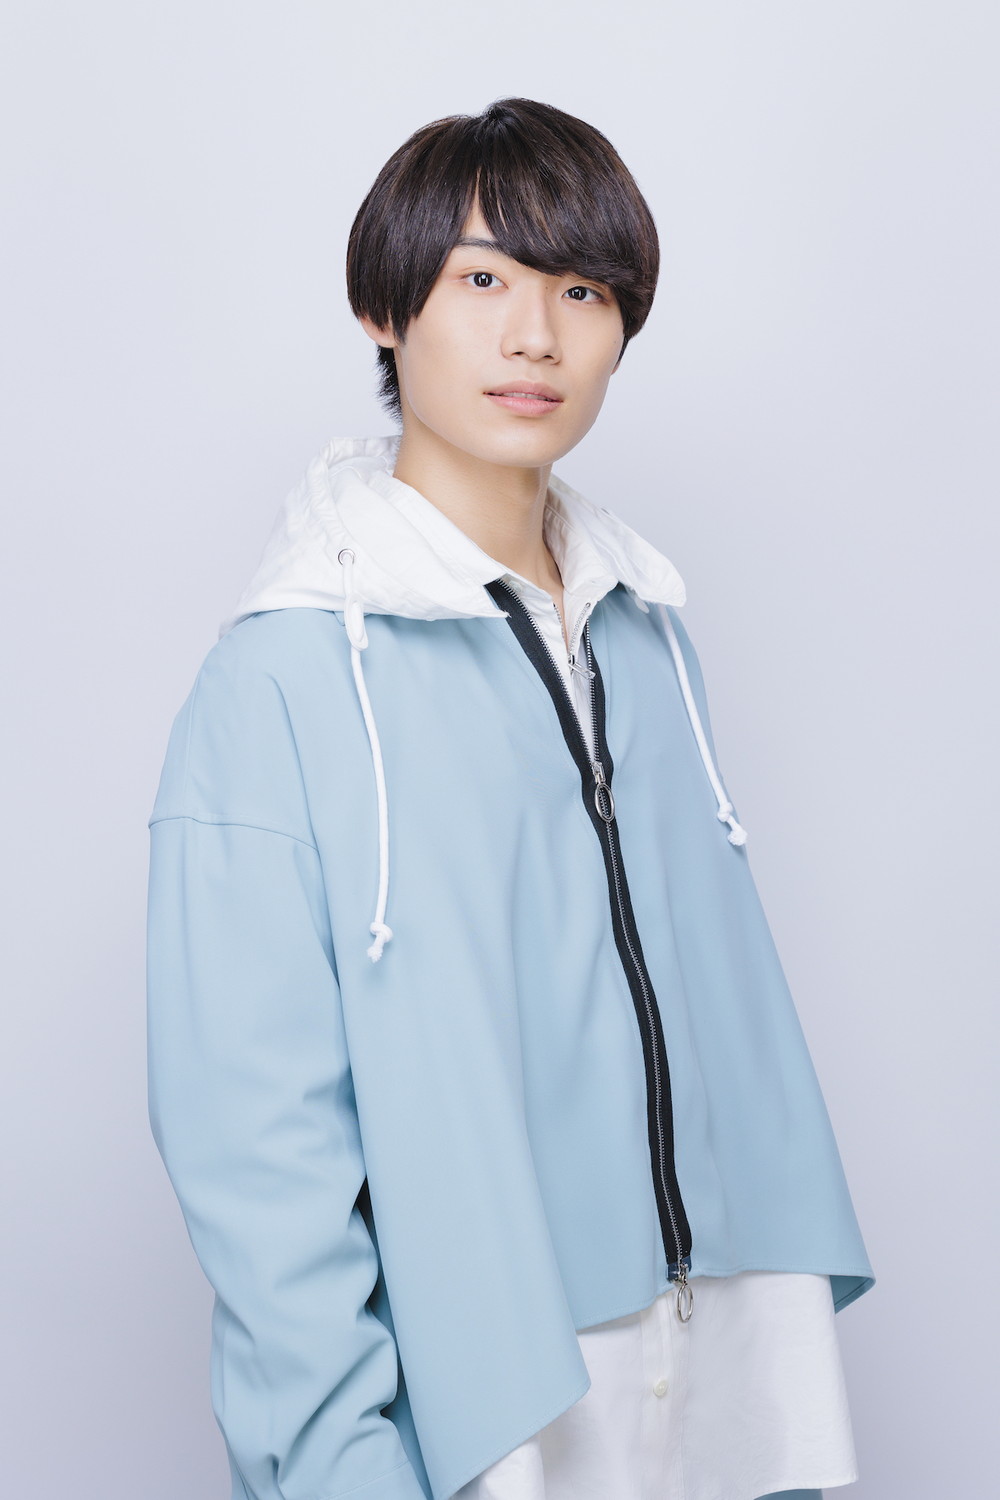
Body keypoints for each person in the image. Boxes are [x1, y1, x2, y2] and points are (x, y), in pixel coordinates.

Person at [145, 97, 875, 1500]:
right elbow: (254, 1150)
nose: (535, 334)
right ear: (384, 308)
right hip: (497, 1390)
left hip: (728, 1350)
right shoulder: (283, 679)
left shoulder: (647, 636)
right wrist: (338, 1465)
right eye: (482, 279)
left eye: (581, 290)